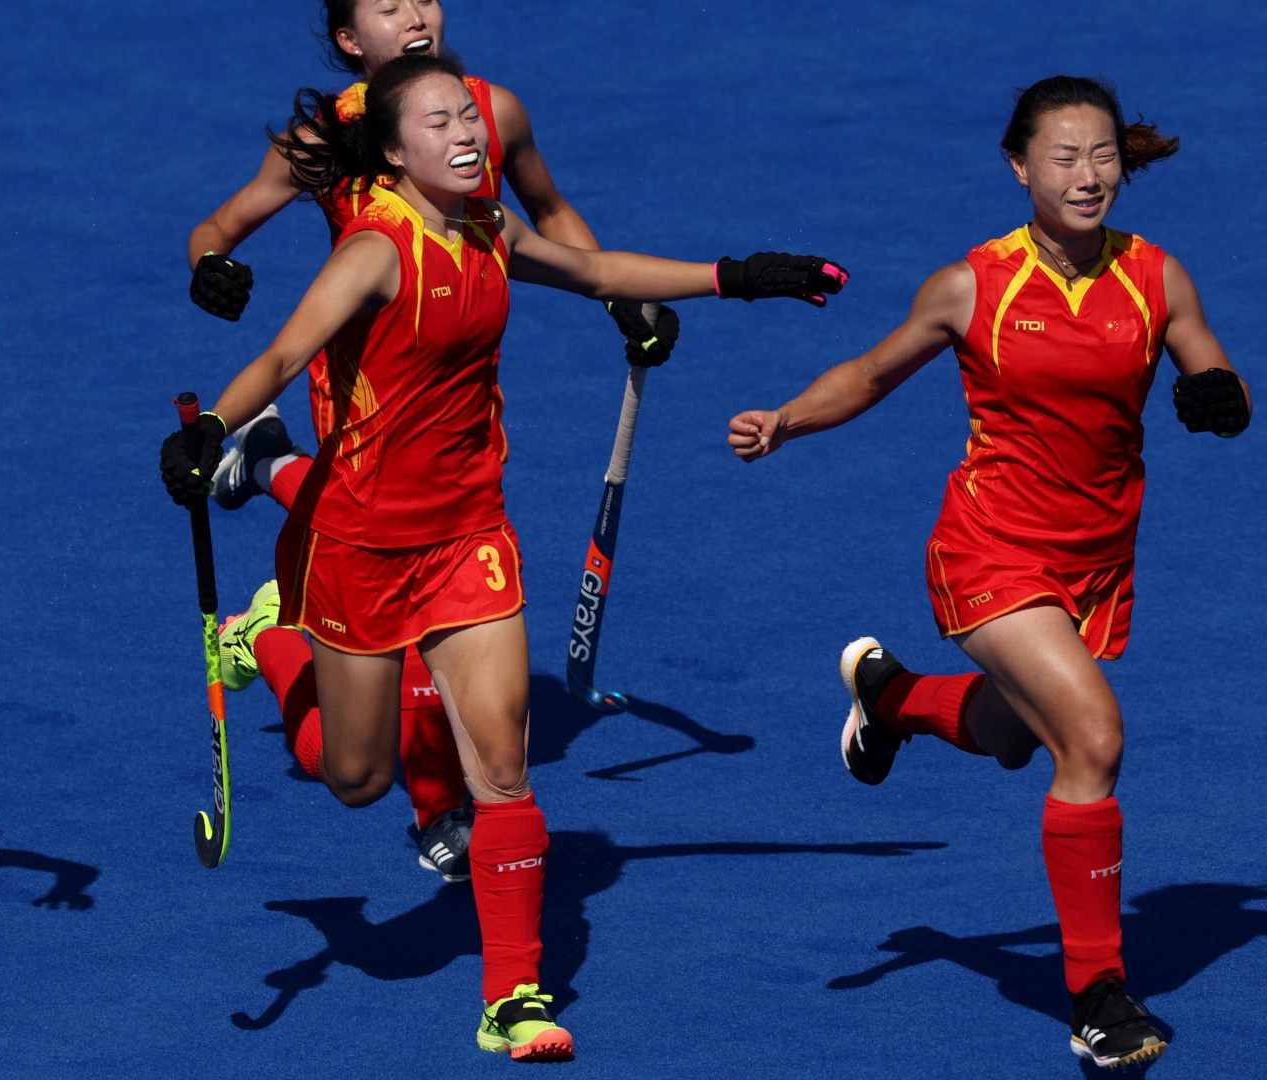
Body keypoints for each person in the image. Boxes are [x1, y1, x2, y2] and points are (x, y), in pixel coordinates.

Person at [161, 53, 846, 1061]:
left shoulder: (488, 227)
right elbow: (282, 354)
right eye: (438, 124)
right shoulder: (373, 250)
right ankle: (270, 635)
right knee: (355, 778)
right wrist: (213, 428)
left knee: (504, 770)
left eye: (467, 117)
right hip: (359, 542)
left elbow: (598, 273)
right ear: (394, 154)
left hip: (469, 537)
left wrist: (737, 278)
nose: (467, 134)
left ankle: (514, 997)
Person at [726, 76, 1248, 1069]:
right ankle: (1098, 995)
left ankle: (891, 700)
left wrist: (1221, 396)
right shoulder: (974, 286)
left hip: (1097, 555)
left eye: (1103, 156)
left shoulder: (1157, 276)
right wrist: (786, 419)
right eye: (1065, 157)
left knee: (1015, 732)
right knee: (1091, 737)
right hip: (990, 546)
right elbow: (872, 373)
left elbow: (1213, 370)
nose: (1088, 176)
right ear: (1020, 167)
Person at [186, 0, 682, 881]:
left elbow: (551, 215)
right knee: (393, 559)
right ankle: (437, 810)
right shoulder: (323, 137)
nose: (414, 13)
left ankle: (265, 470)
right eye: (386, 5)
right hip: (362, 382)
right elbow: (218, 230)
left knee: (434, 566)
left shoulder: (491, 113)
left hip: (457, 356)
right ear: (349, 40)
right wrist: (210, 268)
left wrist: (623, 302)